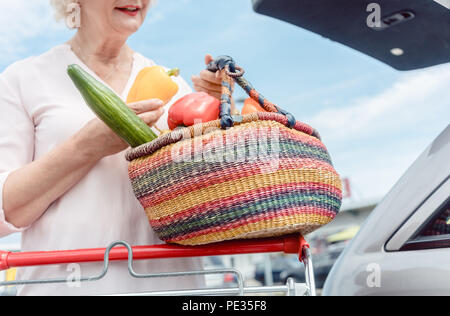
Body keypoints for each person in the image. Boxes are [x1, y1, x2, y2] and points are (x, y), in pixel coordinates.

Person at [0, 0, 226, 295]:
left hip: (171, 288)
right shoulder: (23, 79)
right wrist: (87, 146)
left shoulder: (177, 87)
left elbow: (207, 197)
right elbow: (7, 209)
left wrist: (220, 116)